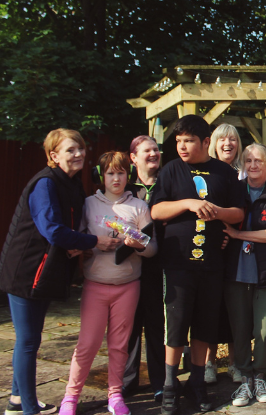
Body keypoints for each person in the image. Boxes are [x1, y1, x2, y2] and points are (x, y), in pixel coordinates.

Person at [0, 129, 120, 415]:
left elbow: (70, 225)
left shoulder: (71, 182)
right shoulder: (45, 184)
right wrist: (94, 241)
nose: (78, 154)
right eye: (70, 150)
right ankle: (28, 409)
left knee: (32, 338)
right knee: (28, 341)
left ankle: (18, 399)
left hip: (44, 271)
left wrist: (77, 244)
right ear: (53, 156)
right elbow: (53, 230)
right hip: (25, 270)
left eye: (79, 148)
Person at [150, 115, 244, 415]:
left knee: (204, 326)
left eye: (188, 141)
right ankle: (169, 386)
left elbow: (239, 213)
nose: (182, 147)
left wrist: (217, 212)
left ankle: (197, 382)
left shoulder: (224, 173)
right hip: (178, 264)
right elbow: (156, 210)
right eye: (178, 141)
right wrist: (189, 203)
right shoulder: (171, 171)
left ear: (206, 142)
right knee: (176, 327)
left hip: (212, 264)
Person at [59, 152, 158, 415]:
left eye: (121, 173)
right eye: (110, 173)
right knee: (88, 343)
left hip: (128, 286)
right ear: (101, 176)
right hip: (95, 285)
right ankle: (70, 397)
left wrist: (138, 245)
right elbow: (75, 240)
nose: (116, 178)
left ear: (129, 175)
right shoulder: (89, 204)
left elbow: (152, 249)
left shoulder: (139, 206)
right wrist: (87, 246)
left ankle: (115, 395)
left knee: (119, 344)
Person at [222, 144, 266, 406]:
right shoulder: (234, 191)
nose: (252, 165)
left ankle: (259, 374)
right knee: (239, 329)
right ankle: (245, 379)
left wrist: (238, 235)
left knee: (264, 329)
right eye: (247, 160)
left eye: (258, 160)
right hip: (236, 271)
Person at [122, 136, 166, 402]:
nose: (154, 154)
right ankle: (128, 381)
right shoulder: (125, 188)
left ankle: (160, 381)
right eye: (147, 150)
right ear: (133, 157)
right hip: (129, 267)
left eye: (156, 150)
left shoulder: (168, 185)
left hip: (161, 265)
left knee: (157, 325)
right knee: (129, 325)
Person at [204, 123, 243, 384]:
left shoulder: (244, 173)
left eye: (232, 139)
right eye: (222, 140)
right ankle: (208, 361)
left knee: (233, 308)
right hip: (208, 249)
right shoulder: (204, 172)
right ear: (213, 143)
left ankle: (234, 362)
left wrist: (231, 235)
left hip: (237, 249)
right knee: (209, 306)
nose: (227, 144)